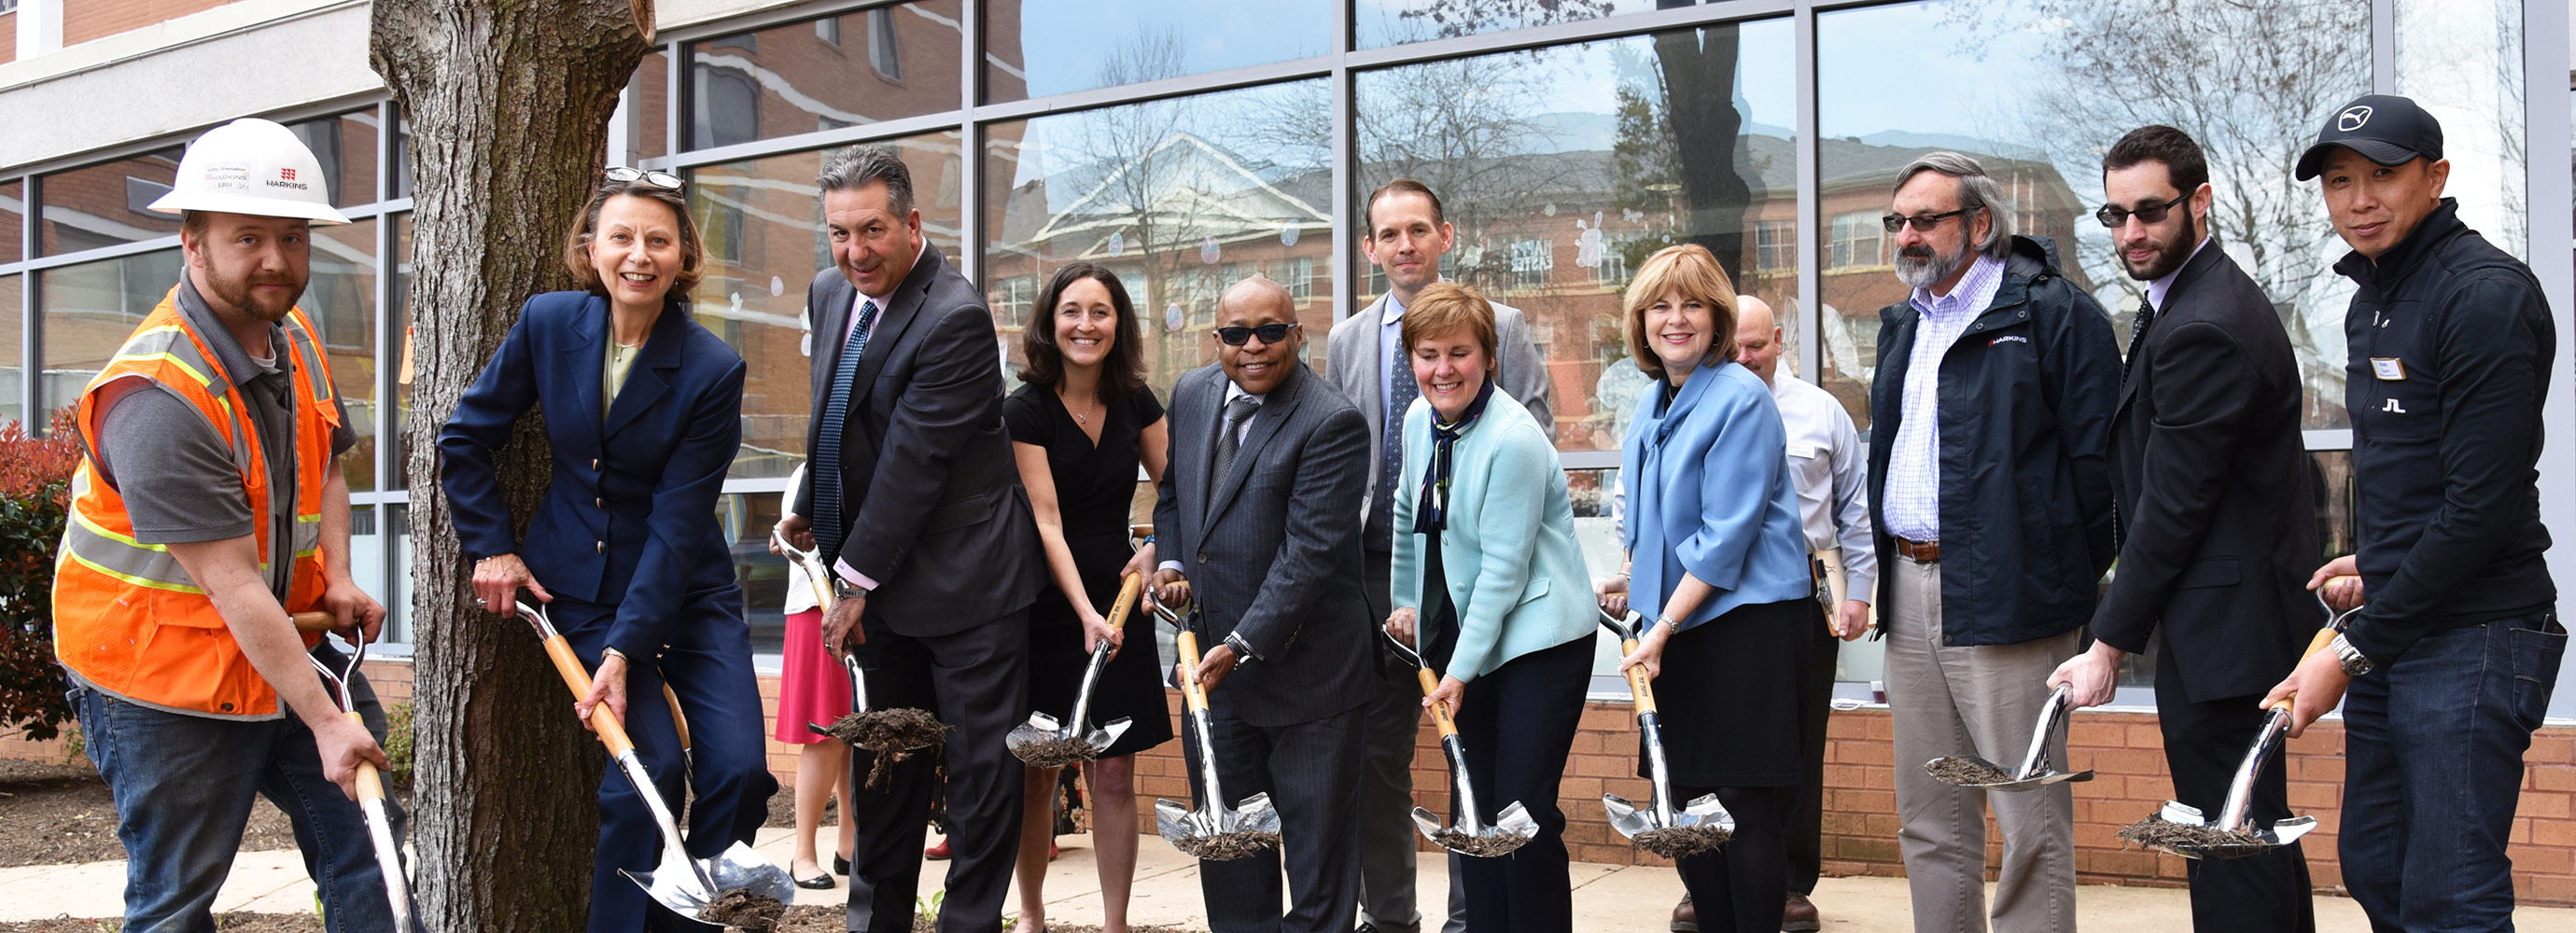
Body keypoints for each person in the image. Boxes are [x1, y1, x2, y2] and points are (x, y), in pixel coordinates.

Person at [53, 117, 403, 933]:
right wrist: (326, 719)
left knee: (373, 851)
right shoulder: (156, 397)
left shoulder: (294, 334)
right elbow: (232, 581)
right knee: (177, 901)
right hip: (161, 680)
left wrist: (340, 574)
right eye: (247, 237)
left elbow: (326, 462)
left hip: (280, 642)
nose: (276, 259)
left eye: (291, 236)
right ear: (192, 242)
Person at [440, 164, 776, 932]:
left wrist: (629, 651)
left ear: (684, 256)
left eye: (659, 240)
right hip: (580, 592)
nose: (639, 254)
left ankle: (687, 923)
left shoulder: (712, 369)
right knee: (646, 772)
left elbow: (678, 519)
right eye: (621, 236)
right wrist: (491, 548)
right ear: (590, 248)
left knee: (740, 772)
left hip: (687, 593)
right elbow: (465, 439)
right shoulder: (549, 324)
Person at [2264, 93, 2561, 931]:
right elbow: (2422, 479)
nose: (2358, 200)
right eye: (2338, 181)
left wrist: (2349, 649)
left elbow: (2481, 509)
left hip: (2478, 635)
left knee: (2449, 894)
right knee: (2378, 868)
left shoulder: (2484, 297)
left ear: (2436, 177)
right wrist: (2376, 560)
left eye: (2383, 176)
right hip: (2406, 623)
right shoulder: (2373, 300)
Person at [2044, 125, 2318, 930]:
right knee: (2245, 837)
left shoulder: (2206, 322)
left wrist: (2107, 643)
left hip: (2229, 637)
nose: (2131, 233)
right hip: (2224, 625)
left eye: (2151, 212)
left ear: (2200, 201)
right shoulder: (2185, 303)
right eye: (2116, 215)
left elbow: (2175, 501)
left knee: (2232, 844)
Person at [773, 145, 1045, 933]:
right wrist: (817, 511)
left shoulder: (954, 315)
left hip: (970, 597)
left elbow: (914, 464)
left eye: (873, 230)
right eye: (838, 232)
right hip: (884, 591)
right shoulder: (832, 293)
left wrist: (851, 581)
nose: (855, 252)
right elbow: (839, 421)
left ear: (912, 222)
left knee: (980, 783)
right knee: (885, 770)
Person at [1867, 152, 2121, 933]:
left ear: (1980, 225)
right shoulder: (1904, 322)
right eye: (1897, 221)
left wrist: (2053, 577)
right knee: (1931, 817)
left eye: (1925, 220)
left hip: (2013, 594)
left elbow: (2099, 471)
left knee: (2027, 820)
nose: (1907, 235)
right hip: (1909, 595)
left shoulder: (2052, 314)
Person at [1323, 177, 1553, 933]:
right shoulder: (1348, 339)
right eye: (1388, 235)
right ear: (1369, 248)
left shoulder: (1502, 326)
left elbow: (1533, 435)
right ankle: (1390, 917)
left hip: (1471, 570)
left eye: (1418, 230)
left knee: (1469, 744)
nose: (1405, 245)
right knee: (1375, 749)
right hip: (1375, 568)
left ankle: (1468, 916)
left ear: (1444, 236)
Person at [1595, 244, 1813, 933]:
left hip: (1743, 629)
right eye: (1660, 305)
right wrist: (1634, 584)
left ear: (1718, 319)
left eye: (1692, 304)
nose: (1676, 319)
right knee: (1684, 800)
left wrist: (1659, 629)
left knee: (1741, 807)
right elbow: (1647, 518)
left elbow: (1726, 537)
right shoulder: (1654, 402)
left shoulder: (1741, 397)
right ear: (1641, 320)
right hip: (1675, 627)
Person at [1150, 276, 1374, 933]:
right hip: (1215, 688)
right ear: (1214, 338)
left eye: (1271, 331)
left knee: (1318, 874)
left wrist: (1241, 644)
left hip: (1312, 684)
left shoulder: (1331, 421)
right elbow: (1172, 499)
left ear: (1298, 335)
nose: (1255, 346)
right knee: (1231, 857)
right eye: (1237, 333)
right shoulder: (1192, 394)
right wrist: (1171, 564)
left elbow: (1309, 557)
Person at [1379, 282, 1594, 933]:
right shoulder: (1421, 421)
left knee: (1521, 812)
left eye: (1460, 353)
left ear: (1489, 358)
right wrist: (1406, 607)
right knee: (1471, 807)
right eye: (1428, 354)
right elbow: (1405, 514)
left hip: (1539, 639)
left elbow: (1504, 571)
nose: (1443, 369)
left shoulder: (1514, 440)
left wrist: (1458, 672)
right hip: (1469, 637)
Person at [1004, 262, 1176, 933]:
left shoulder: (1137, 400)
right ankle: (1033, 916)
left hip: (1120, 592)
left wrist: (1158, 547)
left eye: (1100, 312)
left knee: (1112, 774)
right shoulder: (1024, 408)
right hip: (1046, 600)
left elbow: (1178, 492)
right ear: (1051, 322)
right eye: (1071, 311)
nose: (1085, 325)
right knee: (1038, 774)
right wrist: (1082, 612)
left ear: (1118, 323)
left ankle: (1115, 924)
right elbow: (1046, 522)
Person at [1728, 294, 1876, 933]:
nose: (1742, 357)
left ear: (1781, 340)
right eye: (1730, 345)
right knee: (1720, 747)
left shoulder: (1820, 412)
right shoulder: (1693, 402)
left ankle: (1790, 883)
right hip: (1718, 602)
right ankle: (1711, 878)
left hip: (1804, 594)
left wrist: (1861, 591)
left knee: (1797, 743)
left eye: (1754, 345)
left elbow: (1856, 509)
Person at [773, 465, 859, 891]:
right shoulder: (811, 471)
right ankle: (802, 853)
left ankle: (849, 844)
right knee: (826, 734)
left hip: (866, 608)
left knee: (854, 733)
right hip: (819, 608)